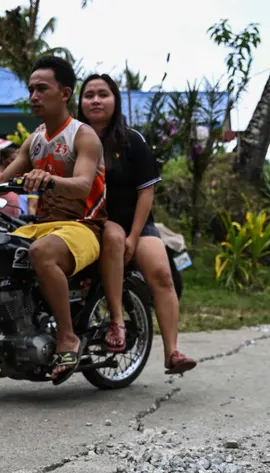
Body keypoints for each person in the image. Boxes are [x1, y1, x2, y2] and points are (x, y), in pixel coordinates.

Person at [0, 56, 107, 381]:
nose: (33, 96)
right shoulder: (35, 140)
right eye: (31, 89)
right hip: (40, 226)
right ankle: (8, 328)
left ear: (65, 93)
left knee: (42, 252)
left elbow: (82, 187)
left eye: (42, 89)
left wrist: (50, 180)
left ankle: (68, 337)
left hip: (83, 227)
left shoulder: (83, 136)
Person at [77, 74, 196, 375]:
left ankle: (172, 352)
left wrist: (133, 236)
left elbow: (146, 192)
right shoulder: (74, 139)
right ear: (79, 102)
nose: (95, 100)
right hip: (90, 225)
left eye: (103, 94)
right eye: (89, 95)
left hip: (135, 224)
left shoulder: (132, 140)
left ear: (115, 101)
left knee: (162, 274)